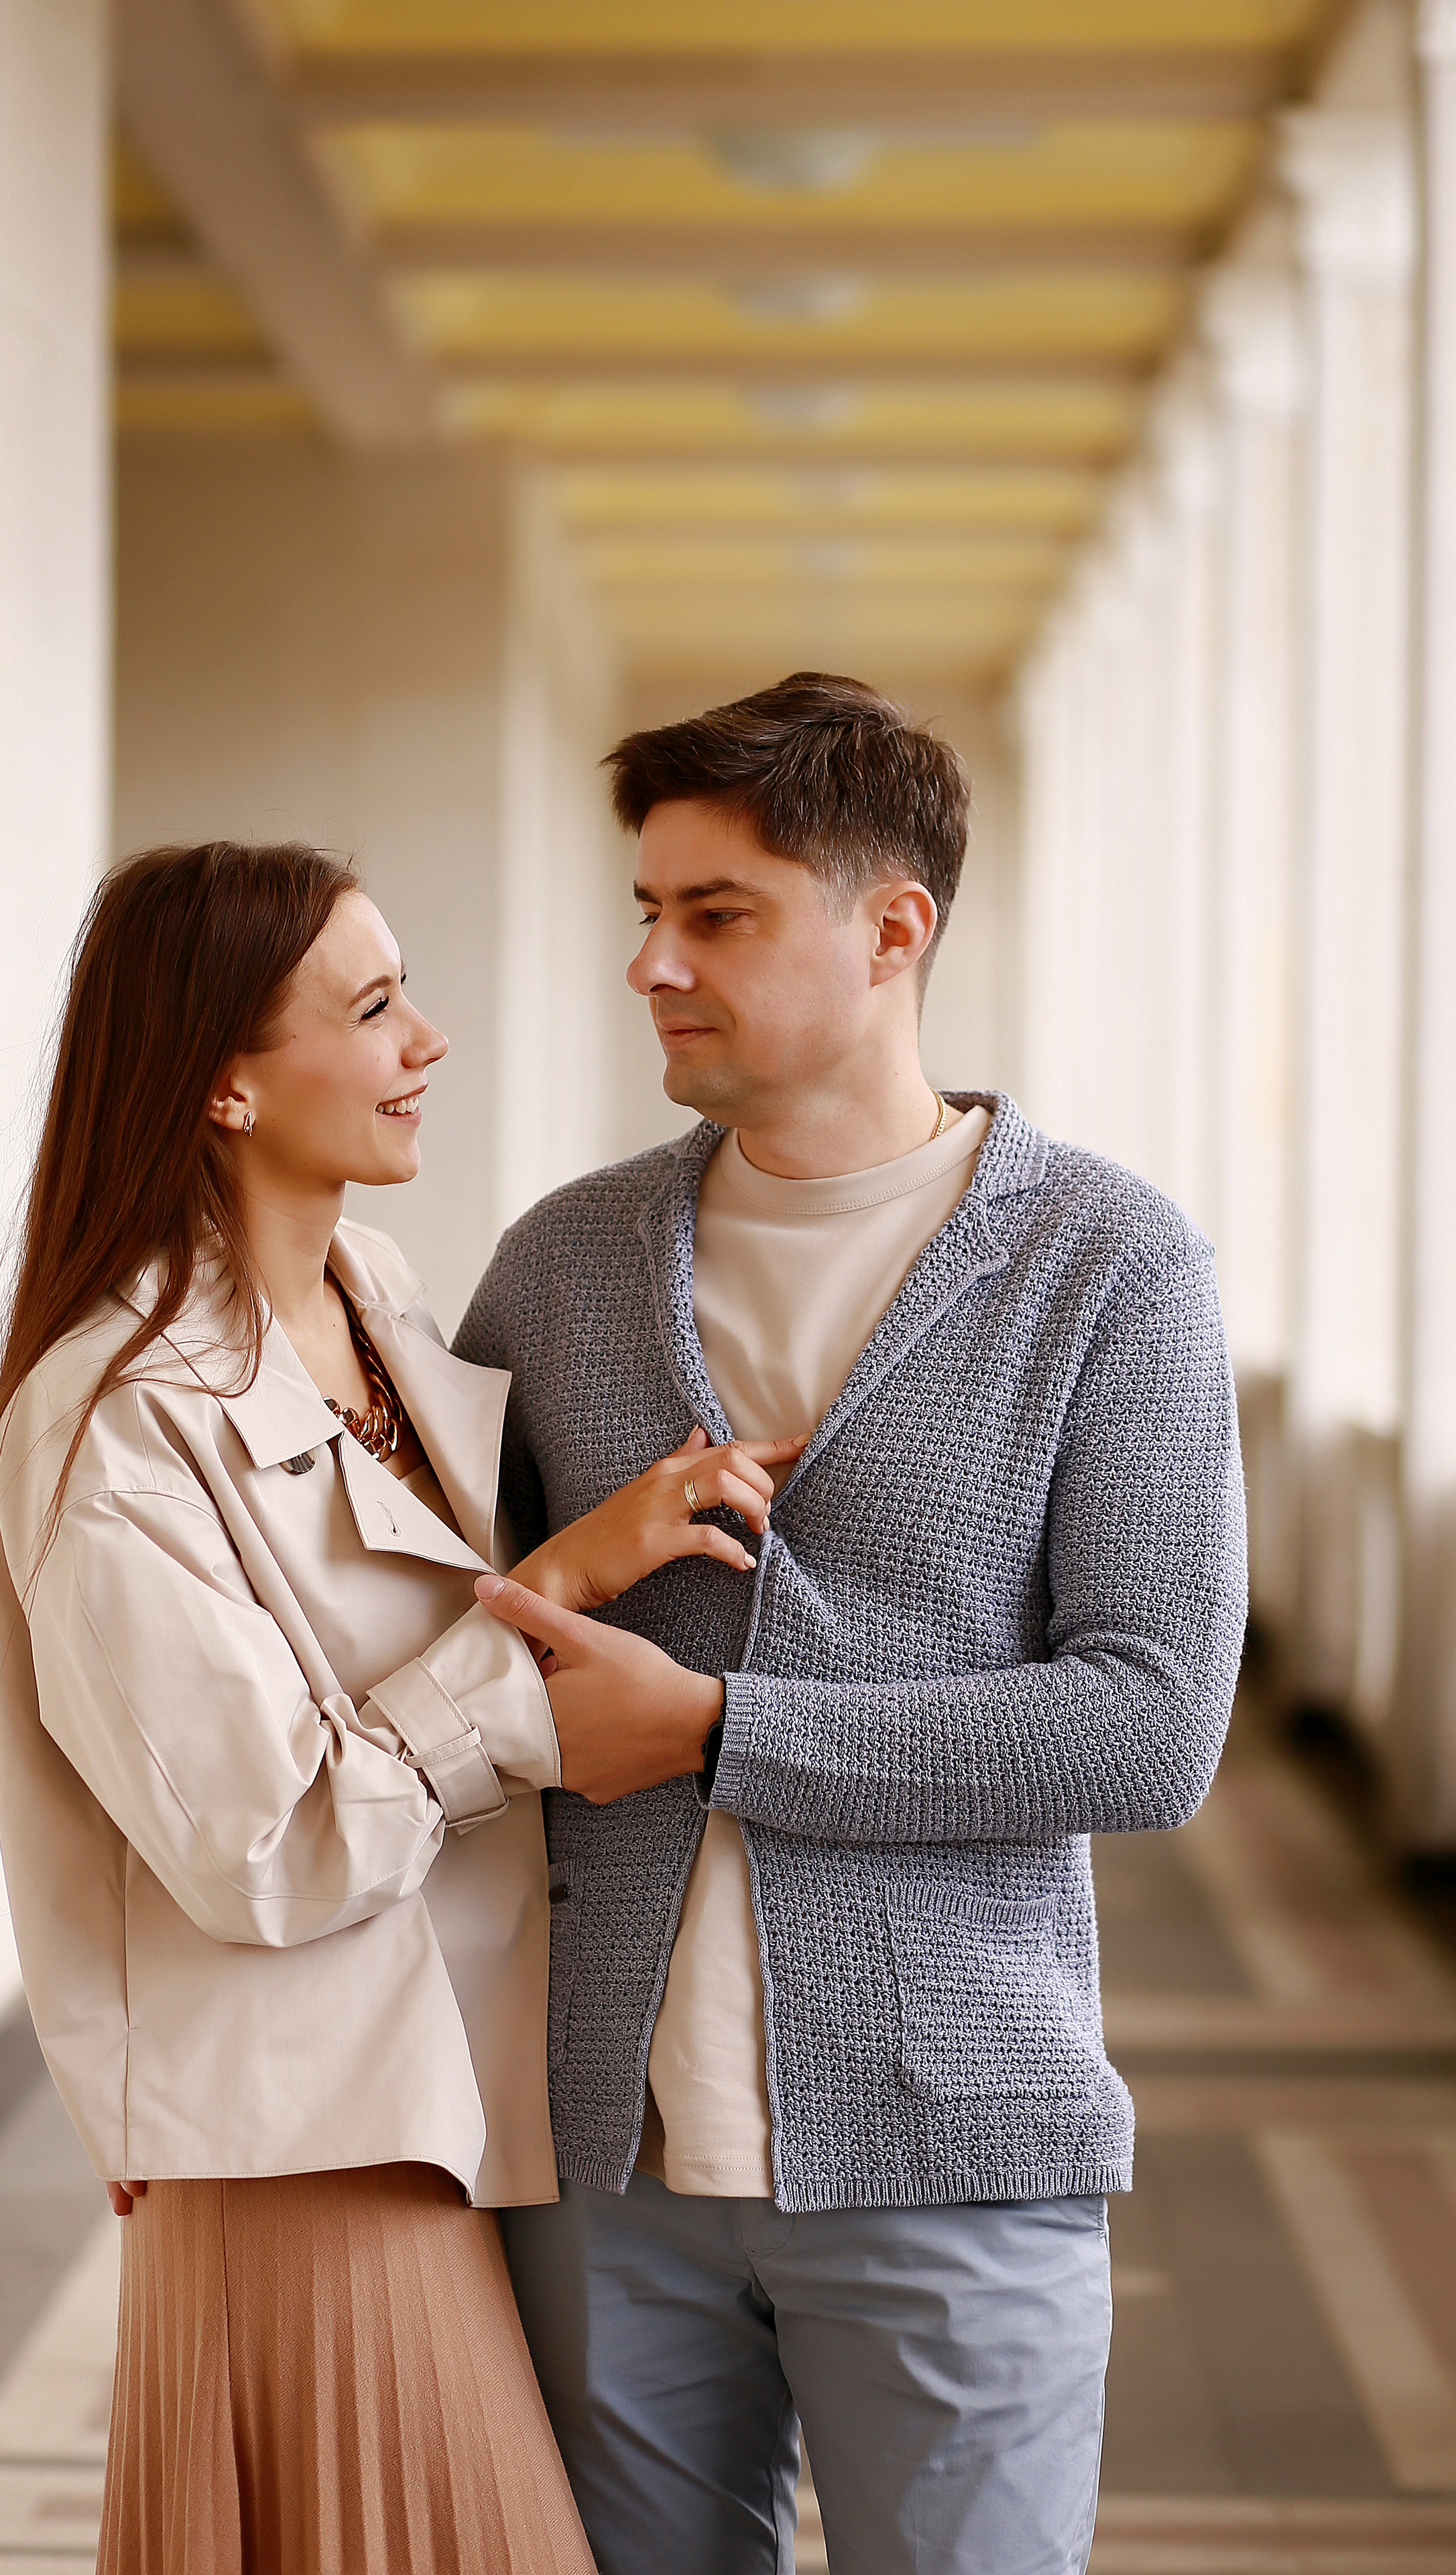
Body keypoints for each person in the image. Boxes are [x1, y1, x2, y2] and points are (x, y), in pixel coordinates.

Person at [457, 673, 1250, 2575]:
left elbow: (1147, 1728)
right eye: (643, 913)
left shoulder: (1109, 1263)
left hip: (960, 2153)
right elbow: (436, 1654)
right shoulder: (562, 1263)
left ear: (894, 929)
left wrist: (726, 1734)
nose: (651, 963)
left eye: (714, 915)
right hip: (599, 2165)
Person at [0, 840, 800, 2575]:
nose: (431, 1037)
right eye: (375, 1005)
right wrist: (555, 1604)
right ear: (224, 1082)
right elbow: (262, 1849)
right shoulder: (110, 1425)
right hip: (303, 2156)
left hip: (446, 2116)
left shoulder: (387, 1302)